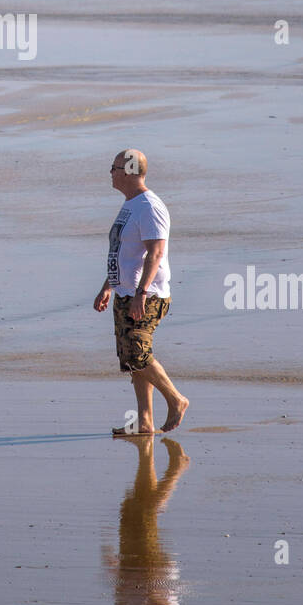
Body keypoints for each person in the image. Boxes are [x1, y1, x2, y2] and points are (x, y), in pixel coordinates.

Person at [93, 149, 189, 435]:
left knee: (137, 352)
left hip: (147, 295)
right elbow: (124, 253)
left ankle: (176, 399)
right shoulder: (131, 205)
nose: (110, 172)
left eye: (115, 167)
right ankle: (145, 421)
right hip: (125, 292)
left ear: (130, 170)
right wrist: (107, 286)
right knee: (131, 361)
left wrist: (141, 293)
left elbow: (155, 252)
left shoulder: (149, 206)